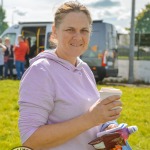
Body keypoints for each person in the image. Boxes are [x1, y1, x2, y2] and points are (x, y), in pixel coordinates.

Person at [18, 1, 123, 150]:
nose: (78, 37)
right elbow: (30, 140)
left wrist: (107, 127)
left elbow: (89, 122)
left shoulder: (84, 69)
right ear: (55, 31)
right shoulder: (41, 71)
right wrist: (91, 119)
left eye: (84, 30)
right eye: (70, 29)